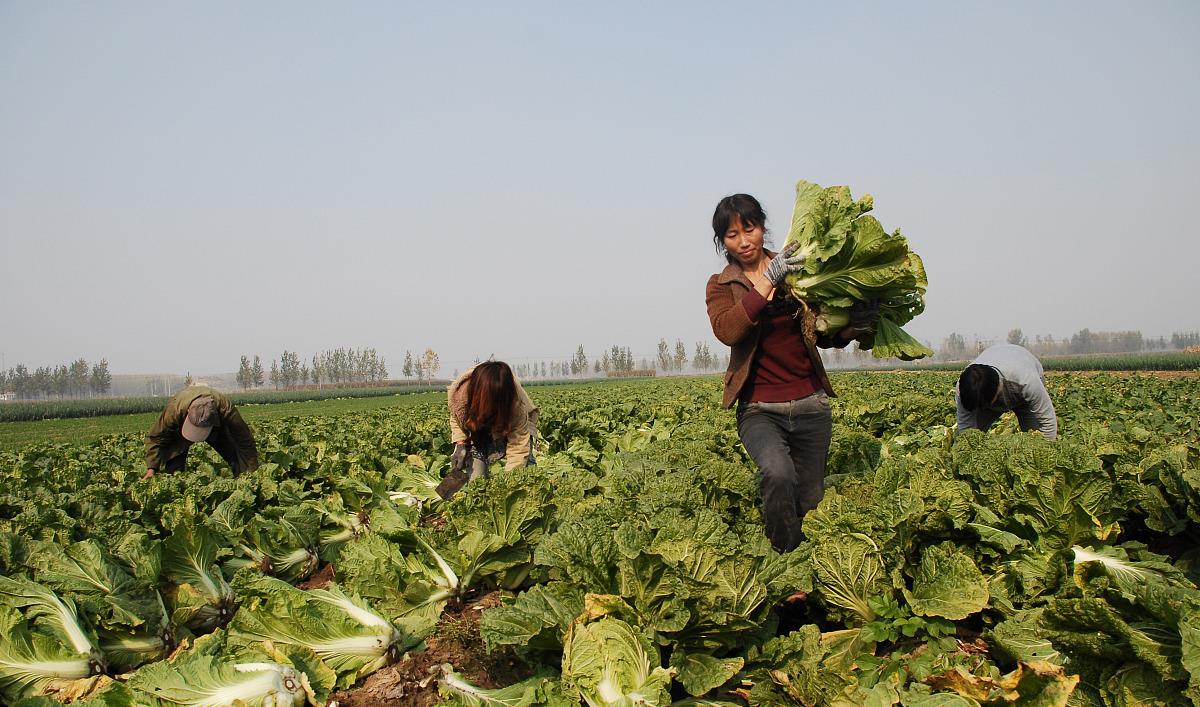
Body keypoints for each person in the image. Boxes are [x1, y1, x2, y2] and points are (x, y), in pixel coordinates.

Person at [705, 193, 877, 553]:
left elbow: (824, 334)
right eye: (732, 235)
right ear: (723, 243)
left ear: (762, 228)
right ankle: (786, 563)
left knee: (811, 497)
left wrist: (854, 327)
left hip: (810, 404)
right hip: (759, 409)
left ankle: (814, 568)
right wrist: (769, 280)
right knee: (778, 474)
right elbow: (729, 330)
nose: (744, 240)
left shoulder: (798, 271)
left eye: (749, 229)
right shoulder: (722, 285)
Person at [448, 361, 539, 482]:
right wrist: (460, 443)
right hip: (479, 428)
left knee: (524, 474)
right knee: (476, 481)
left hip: (512, 424)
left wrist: (511, 485)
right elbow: (457, 417)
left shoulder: (516, 406)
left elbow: (518, 447)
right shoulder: (460, 395)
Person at [143, 386, 259, 479]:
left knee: (234, 454)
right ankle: (176, 481)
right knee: (174, 465)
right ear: (188, 411)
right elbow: (156, 437)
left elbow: (244, 440)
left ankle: (242, 478)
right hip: (181, 427)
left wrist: (252, 471)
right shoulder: (175, 410)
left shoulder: (226, 409)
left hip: (217, 427)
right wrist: (151, 468)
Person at [956, 343, 1057, 440]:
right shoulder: (965, 388)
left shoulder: (1027, 381)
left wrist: (1045, 450)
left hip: (1023, 395)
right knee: (972, 436)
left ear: (997, 391)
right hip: (988, 389)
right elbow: (966, 429)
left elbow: (1047, 422)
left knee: (1035, 436)